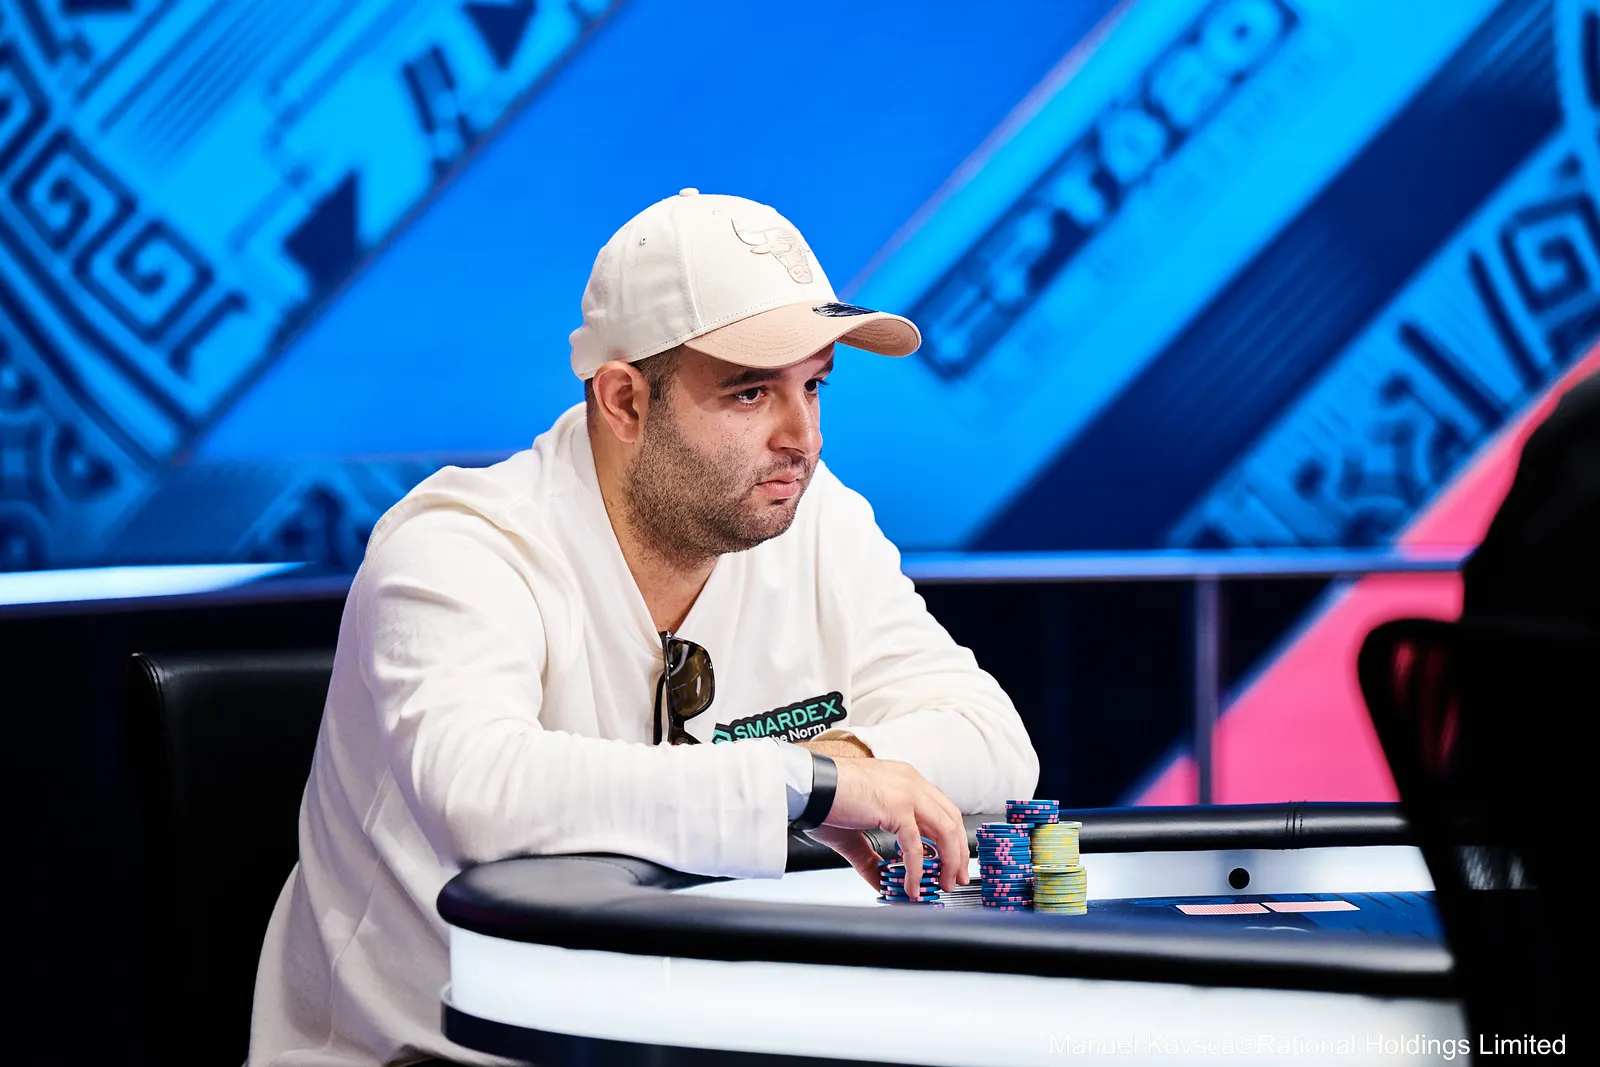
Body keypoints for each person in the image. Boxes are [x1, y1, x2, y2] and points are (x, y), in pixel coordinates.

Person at [245, 189, 1039, 1066]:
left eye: (813, 385)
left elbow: (995, 741)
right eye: (750, 392)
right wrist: (810, 785)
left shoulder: (818, 522)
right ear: (624, 400)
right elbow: (485, 797)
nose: (802, 437)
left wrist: (843, 761)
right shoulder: (457, 547)